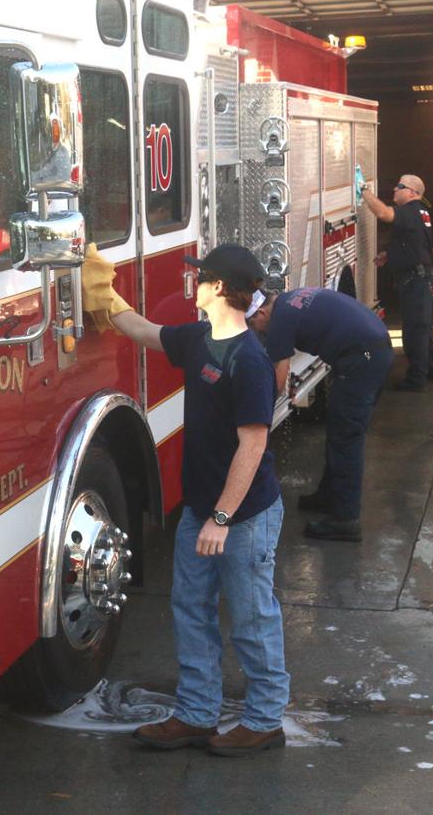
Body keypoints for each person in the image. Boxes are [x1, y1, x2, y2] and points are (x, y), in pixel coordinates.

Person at [82, 242, 289, 757]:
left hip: (243, 517)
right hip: (202, 509)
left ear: (219, 288)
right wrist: (99, 290)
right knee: (191, 609)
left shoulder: (251, 362)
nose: (192, 284)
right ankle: (197, 714)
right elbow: (143, 330)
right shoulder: (198, 338)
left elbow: (254, 444)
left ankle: (265, 721)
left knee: (250, 616)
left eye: (200, 278)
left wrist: (220, 517)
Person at [247, 287, 393, 542]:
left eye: (254, 323)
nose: (257, 330)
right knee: (339, 431)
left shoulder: (279, 320)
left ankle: (346, 520)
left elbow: (278, 380)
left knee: (346, 438)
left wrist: (259, 416)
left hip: (363, 358)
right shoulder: (290, 298)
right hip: (374, 348)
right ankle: (329, 496)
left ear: (261, 311)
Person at [362, 174, 433, 391]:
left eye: (400, 186)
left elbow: (382, 213)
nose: (394, 189)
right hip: (420, 277)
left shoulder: (410, 211)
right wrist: (390, 254)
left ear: (412, 192)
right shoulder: (420, 213)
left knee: (414, 331)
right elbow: (414, 242)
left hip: (416, 280)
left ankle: (416, 381)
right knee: (423, 328)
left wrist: (364, 190)